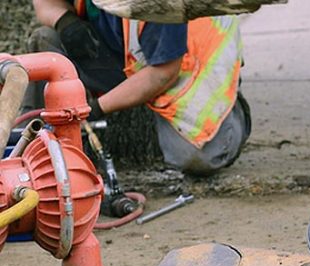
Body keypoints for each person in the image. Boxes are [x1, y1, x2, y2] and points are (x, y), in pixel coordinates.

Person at [28, 0, 251, 175]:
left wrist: (94, 108)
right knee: (46, 42)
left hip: (188, 69)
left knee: (195, 157)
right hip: (131, 56)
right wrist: (66, 21)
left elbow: (163, 74)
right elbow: (44, 3)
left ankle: (233, 120)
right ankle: (51, 155)